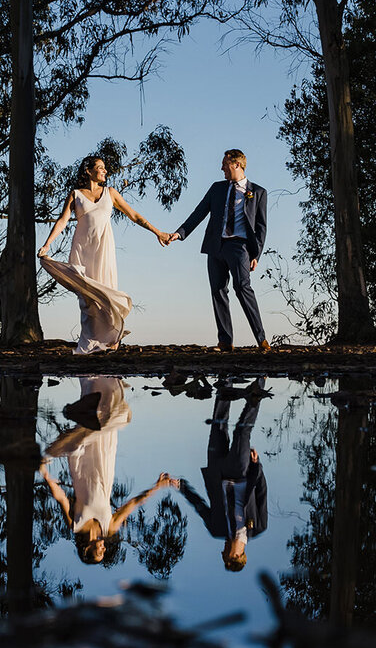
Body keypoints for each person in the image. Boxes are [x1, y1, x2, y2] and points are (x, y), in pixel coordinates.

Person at [38, 155, 172, 354]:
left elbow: (134, 215)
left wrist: (158, 232)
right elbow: (63, 220)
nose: (105, 171)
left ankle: (112, 339)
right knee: (87, 298)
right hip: (83, 249)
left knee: (106, 295)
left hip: (104, 248)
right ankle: (90, 343)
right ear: (88, 170)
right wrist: (47, 245)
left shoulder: (110, 193)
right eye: (100, 168)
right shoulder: (76, 194)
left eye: (104, 168)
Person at [39, 376, 179, 564]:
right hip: (104, 466)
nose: (103, 547)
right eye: (103, 551)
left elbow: (62, 498)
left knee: (86, 428)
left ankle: (92, 380)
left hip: (82, 469)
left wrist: (46, 476)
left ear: (87, 549)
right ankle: (108, 382)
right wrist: (158, 486)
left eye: (99, 552)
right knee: (108, 422)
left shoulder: (76, 526)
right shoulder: (110, 528)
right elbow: (131, 505)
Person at [165, 149, 269, 352]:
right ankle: (225, 341)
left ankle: (262, 339)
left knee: (242, 288)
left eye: (225, 164)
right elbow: (199, 212)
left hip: (240, 247)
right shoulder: (217, 189)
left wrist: (256, 254)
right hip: (215, 246)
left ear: (237, 164)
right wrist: (179, 233)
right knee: (218, 291)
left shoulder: (257, 192)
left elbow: (261, 227)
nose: (221, 168)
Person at [178, 380, 269, 571]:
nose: (222, 552)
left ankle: (225, 380)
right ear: (236, 555)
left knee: (218, 425)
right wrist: (257, 466)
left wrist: (181, 486)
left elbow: (200, 507)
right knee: (242, 432)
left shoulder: (216, 530)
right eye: (225, 555)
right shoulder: (258, 528)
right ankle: (257, 388)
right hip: (241, 471)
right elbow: (261, 494)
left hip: (217, 471)